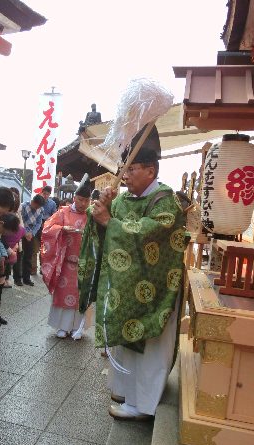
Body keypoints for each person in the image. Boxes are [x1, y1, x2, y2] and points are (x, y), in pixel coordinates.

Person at [78, 125, 187, 421]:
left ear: (151, 170)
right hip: (127, 288)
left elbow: (150, 234)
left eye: (132, 169)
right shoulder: (125, 199)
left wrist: (109, 222)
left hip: (156, 289)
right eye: (124, 170)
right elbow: (102, 225)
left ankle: (143, 405)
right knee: (125, 343)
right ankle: (126, 392)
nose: (124, 176)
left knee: (150, 348)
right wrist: (100, 212)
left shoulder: (166, 201)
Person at [42, 179, 91, 339]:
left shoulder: (91, 215)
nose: (84, 203)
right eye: (81, 199)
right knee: (63, 294)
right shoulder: (63, 212)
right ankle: (62, 326)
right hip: (66, 262)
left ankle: (77, 327)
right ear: (75, 197)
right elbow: (48, 228)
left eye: (87, 200)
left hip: (84, 263)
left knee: (80, 296)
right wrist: (62, 229)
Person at [20, 194, 45, 286]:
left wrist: (32, 233)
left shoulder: (40, 209)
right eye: (36, 206)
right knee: (19, 255)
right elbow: (20, 220)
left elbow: (38, 223)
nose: (37, 208)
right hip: (21, 231)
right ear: (33, 202)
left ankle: (26, 278)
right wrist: (25, 232)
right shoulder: (23, 206)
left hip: (31, 234)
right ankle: (18, 277)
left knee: (28, 255)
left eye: (39, 207)